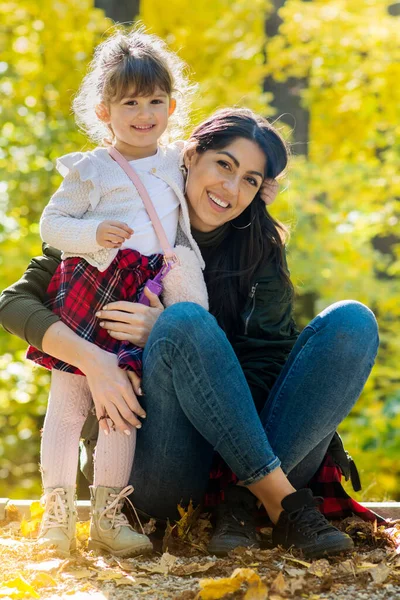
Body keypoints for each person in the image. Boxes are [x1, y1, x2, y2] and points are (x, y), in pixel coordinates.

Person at [0, 108, 379, 560]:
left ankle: (247, 498)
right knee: (185, 321)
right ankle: (283, 504)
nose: (231, 189)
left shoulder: (259, 247)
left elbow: (269, 363)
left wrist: (169, 338)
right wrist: (96, 362)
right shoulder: (118, 214)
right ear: (191, 155)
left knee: (352, 320)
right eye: (224, 165)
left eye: (251, 180)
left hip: (268, 451)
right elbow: (14, 303)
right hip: (162, 466)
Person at [19, 27, 212, 558]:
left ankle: (107, 514)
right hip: (91, 284)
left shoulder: (177, 161)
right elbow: (52, 225)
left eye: (155, 101)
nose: (144, 113)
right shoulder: (92, 169)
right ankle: (56, 516)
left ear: (171, 105)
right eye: (130, 102)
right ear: (105, 111)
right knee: (68, 405)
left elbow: (185, 225)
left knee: (120, 406)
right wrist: (92, 232)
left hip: (140, 293)